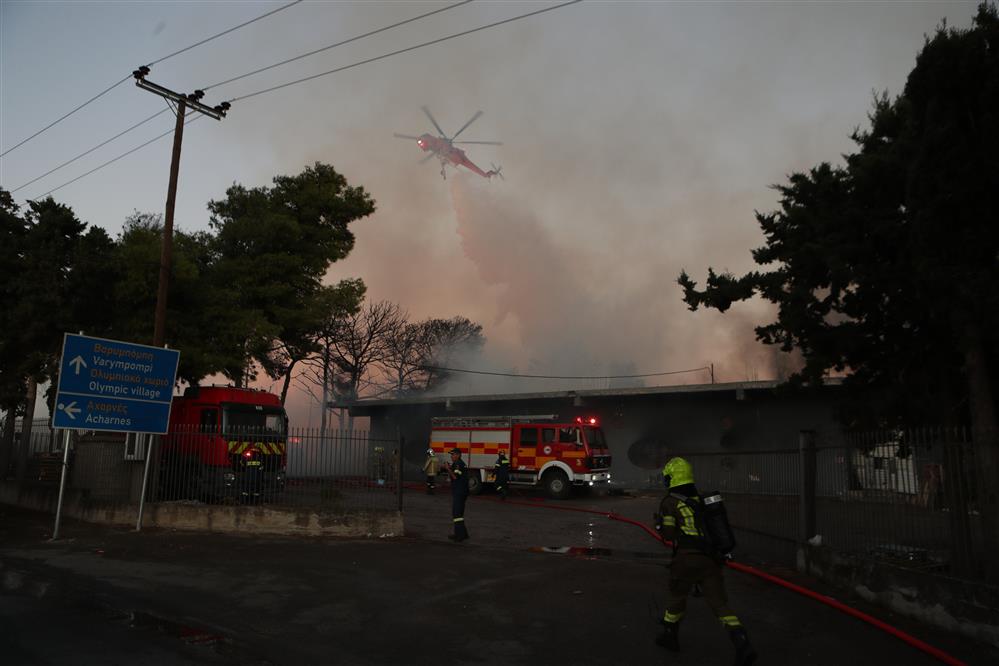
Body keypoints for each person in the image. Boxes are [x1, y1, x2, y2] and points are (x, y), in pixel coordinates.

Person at [655, 457, 757, 666]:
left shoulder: (670, 502)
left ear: (672, 478)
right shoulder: (700, 499)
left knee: (676, 597)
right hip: (711, 560)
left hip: (686, 560)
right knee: (719, 605)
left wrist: (659, 525)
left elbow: (669, 534)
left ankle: (669, 636)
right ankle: (742, 642)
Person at [443, 447, 470, 541]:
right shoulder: (458, 463)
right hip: (460, 491)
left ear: (458, 455)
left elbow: (455, 477)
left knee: (457, 514)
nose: (451, 456)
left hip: (460, 492)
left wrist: (448, 469)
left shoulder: (458, 464)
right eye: (451, 455)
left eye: (453, 454)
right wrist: (450, 467)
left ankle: (460, 536)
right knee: (458, 514)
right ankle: (463, 534)